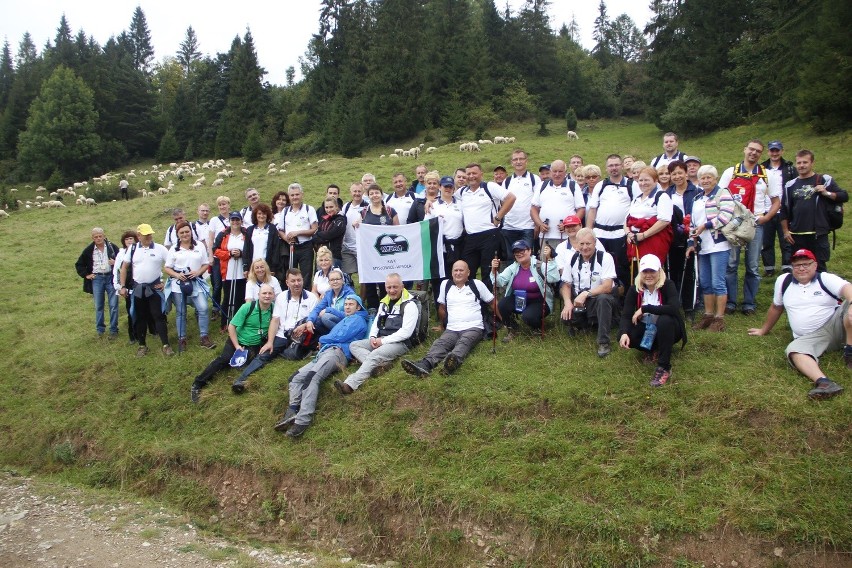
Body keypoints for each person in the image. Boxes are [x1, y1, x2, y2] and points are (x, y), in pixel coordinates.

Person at [748, 249, 852, 400]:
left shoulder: (825, 278)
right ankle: (824, 383)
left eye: (806, 264)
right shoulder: (784, 281)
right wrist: (763, 330)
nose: (801, 268)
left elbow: (847, 288)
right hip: (810, 337)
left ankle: (850, 352)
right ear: (792, 267)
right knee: (793, 350)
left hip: (837, 326)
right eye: (797, 265)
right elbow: (776, 307)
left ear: (815, 265)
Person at [274, 294, 370, 438]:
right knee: (295, 378)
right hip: (325, 352)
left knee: (312, 377)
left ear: (358, 307)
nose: (348, 307)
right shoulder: (346, 318)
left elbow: (340, 337)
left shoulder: (358, 320)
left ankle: (302, 421)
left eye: (351, 304)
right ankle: (292, 410)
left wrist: (322, 339)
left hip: (338, 352)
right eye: (346, 304)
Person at [230, 269, 319, 393]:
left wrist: (303, 326)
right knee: (264, 354)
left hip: (301, 335)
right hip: (282, 334)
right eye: (293, 281)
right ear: (287, 282)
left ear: (303, 281)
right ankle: (241, 380)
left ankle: (295, 351)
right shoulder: (281, 297)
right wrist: (270, 342)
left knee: (294, 356)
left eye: (299, 280)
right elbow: (275, 320)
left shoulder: (311, 297)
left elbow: (314, 319)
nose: (296, 283)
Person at [401, 260, 495, 377]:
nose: (458, 273)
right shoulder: (445, 285)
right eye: (456, 270)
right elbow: (442, 307)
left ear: (468, 272)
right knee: (441, 343)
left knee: (464, 342)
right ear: (452, 272)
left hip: (473, 327)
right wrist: (442, 325)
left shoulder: (477, 284)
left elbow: (492, 302)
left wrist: (504, 321)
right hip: (452, 329)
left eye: (461, 270)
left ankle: (451, 362)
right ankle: (425, 365)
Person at [719, 139, 779, 315]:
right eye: (751, 149)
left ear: (761, 154)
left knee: (752, 265)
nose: (754, 153)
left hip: (755, 224)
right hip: (734, 224)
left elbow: (776, 201)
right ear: (744, 150)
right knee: (731, 264)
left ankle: (749, 303)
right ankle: (730, 302)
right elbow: (720, 196)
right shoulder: (731, 172)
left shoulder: (767, 175)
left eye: (758, 151)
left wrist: (766, 218)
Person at [334, 273, 419, 395]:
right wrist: (373, 337)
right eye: (389, 287)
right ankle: (380, 365)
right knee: (354, 345)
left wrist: (382, 341)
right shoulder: (384, 302)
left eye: (395, 287)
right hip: (381, 339)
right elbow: (377, 323)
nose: (392, 290)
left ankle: (350, 385)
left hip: (400, 343)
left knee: (375, 354)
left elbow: (406, 332)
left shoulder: (410, 305)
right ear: (385, 287)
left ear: (402, 286)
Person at [190, 284, 276, 403]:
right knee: (224, 359)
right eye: (264, 293)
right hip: (238, 341)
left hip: (255, 345)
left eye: (270, 293)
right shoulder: (247, 307)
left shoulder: (274, 309)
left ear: (274, 295)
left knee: (251, 365)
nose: (267, 296)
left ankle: (238, 375)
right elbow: (231, 326)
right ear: (258, 295)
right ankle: (197, 384)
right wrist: (236, 346)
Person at [618, 255, 687, 387]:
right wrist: (624, 333)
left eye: (652, 271)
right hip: (647, 328)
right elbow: (626, 315)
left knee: (665, 320)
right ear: (640, 272)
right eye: (645, 271)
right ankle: (651, 350)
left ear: (659, 272)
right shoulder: (634, 289)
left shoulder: (668, 285)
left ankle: (664, 366)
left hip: (670, 329)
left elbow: (674, 308)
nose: (649, 275)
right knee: (624, 335)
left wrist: (644, 308)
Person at [780, 150, 848, 273]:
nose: (801, 165)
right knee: (800, 268)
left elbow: (844, 196)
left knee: (819, 268)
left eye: (805, 162)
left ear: (812, 163)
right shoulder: (790, 185)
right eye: (799, 162)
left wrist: (826, 193)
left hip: (818, 233)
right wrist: (785, 231)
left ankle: (821, 291)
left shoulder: (824, 180)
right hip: (796, 235)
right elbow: (784, 209)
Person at [687, 165, 734, 332]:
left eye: (709, 177)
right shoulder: (697, 198)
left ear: (715, 178)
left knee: (718, 282)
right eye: (703, 178)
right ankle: (708, 315)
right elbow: (693, 224)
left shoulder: (723, 194)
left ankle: (719, 318)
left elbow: (726, 216)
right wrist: (690, 243)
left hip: (719, 244)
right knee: (705, 282)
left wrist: (706, 225)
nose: (706, 180)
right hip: (703, 246)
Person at [559, 228, 618, 357]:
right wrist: (568, 303)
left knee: (604, 299)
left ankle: (603, 342)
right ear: (577, 244)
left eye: (588, 244)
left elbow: (607, 287)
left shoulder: (605, 257)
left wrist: (586, 294)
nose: (585, 247)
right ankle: (585, 325)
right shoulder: (572, 259)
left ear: (595, 242)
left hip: (598, 298)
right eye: (581, 244)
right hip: (580, 300)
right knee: (565, 317)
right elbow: (566, 284)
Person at [118, 224, 173, 356]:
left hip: (154, 289)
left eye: (150, 234)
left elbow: (172, 266)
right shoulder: (132, 249)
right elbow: (124, 268)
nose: (148, 237)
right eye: (145, 234)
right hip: (138, 289)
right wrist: (123, 286)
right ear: (139, 236)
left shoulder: (160, 249)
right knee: (139, 317)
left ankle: (166, 345)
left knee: (158, 316)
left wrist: (165, 283)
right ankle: (142, 346)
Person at [459, 163, 517, 289]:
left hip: (489, 235)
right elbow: (445, 198)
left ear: (481, 174)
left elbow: (511, 198)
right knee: (468, 272)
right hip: (470, 237)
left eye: (474, 173)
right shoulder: (462, 191)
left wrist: (498, 217)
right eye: (468, 174)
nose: (471, 176)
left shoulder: (489, 187)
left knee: (488, 272)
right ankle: (471, 300)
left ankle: (488, 305)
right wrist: (429, 201)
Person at [492, 240, 560, 341]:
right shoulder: (513, 268)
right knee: (502, 305)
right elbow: (499, 282)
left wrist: (550, 259)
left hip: (539, 301)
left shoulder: (539, 265)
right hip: (519, 299)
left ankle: (537, 329)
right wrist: (494, 270)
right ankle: (513, 329)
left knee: (528, 316)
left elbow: (554, 278)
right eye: (516, 252)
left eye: (522, 250)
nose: (519, 254)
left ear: (529, 251)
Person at [163, 221, 215, 352]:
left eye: (187, 231)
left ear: (191, 232)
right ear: (178, 235)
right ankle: (182, 339)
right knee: (181, 312)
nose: (185, 234)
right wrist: (176, 275)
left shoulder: (199, 246)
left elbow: (205, 263)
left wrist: (198, 272)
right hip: (178, 285)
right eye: (182, 233)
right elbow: (167, 268)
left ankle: (204, 337)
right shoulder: (174, 249)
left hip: (196, 282)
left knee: (203, 308)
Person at [586, 155, 632, 291]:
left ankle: (622, 300)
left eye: (616, 165)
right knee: (598, 265)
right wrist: (588, 232)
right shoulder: (601, 185)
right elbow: (592, 210)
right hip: (600, 234)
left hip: (620, 234)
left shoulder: (631, 185)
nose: (614, 168)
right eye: (611, 165)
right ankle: (599, 295)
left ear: (622, 166)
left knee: (621, 267)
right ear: (606, 168)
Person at [352, 183, 399, 309]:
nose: (374, 195)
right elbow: (357, 228)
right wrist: (355, 224)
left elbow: (398, 231)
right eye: (371, 193)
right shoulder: (363, 212)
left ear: (381, 194)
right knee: (370, 282)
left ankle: (387, 307)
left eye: (377, 193)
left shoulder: (390, 211)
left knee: (386, 281)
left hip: (387, 254)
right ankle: (373, 309)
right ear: (368, 196)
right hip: (370, 254)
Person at [666, 160, 701, 314]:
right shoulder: (667, 193)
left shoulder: (696, 191)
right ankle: (673, 304)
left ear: (686, 174)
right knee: (672, 271)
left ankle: (689, 306)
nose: (677, 176)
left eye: (680, 173)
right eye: (674, 174)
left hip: (691, 235)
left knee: (689, 273)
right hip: (673, 237)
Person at [531, 159, 586, 250]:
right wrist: (540, 224)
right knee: (547, 263)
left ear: (565, 172)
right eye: (554, 171)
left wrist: (569, 225)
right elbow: (533, 208)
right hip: (546, 235)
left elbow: (581, 209)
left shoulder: (573, 186)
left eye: (560, 171)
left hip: (567, 236)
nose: (557, 174)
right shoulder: (542, 186)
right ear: (550, 172)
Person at [76, 227, 120, 339]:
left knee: (113, 305)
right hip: (97, 279)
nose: (99, 238)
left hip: (111, 277)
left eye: (100, 236)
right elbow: (79, 264)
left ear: (104, 236)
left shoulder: (112, 247)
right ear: (92, 238)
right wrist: (86, 274)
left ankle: (114, 329)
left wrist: (115, 263)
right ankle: (100, 329)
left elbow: (122, 260)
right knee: (99, 305)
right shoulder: (88, 250)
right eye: (96, 237)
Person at [761, 140, 796, 275]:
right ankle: (769, 268)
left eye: (777, 150)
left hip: (784, 209)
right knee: (766, 241)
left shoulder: (789, 168)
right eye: (772, 150)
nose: (774, 153)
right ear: (768, 152)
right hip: (766, 209)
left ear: (782, 151)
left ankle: (787, 266)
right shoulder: (762, 168)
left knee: (786, 240)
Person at [624, 167, 673, 265]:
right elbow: (626, 221)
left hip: (653, 241)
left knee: (652, 270)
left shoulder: (662, 197)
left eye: (646, 180)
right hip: (636, 241)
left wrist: (644, 235)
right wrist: (628, 233)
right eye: (640, 180)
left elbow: (664, 220)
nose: (643, 183)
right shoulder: (636, 199)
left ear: (655, 181)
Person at [277, 183, 318, 290]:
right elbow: (280, 230)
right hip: (291, 247)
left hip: (306, 246)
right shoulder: (285, 211)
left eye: (297, 194)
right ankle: (292, 297)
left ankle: (306, 298)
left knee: (306, 275)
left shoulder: (309, 209)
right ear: (289, 197)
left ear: (302, 195)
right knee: (291, 275)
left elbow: (314, 229)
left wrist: (298, 233)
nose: (295, 197)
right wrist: (287, 239)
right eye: (292, 195)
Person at [501, 149, 540, 256]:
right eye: (515, 159)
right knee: (510, 258)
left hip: (528, 227)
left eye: (521, 159)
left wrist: (537, 224)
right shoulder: (507, 181)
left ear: (526, 161)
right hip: (509, 227)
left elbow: (538, 203)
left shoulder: (534, 179)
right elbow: (503, 202)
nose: (518, 162)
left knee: (526, 258)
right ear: (512, 162)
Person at [213, 212, 247, 330]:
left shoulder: (247, 233)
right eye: (233, 220)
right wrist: (229, 253)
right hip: (227, 271)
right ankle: (225, 323)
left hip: (242, 271)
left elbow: (251, 250)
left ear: (241, 221)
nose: (235, 222)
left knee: (240, 297)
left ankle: (238, 324)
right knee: (227, 297)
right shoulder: (223, 234)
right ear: (230, 221)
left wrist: (241, 254)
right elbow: (215, 250)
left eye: (237, 220)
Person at [298, 267, 354, 337]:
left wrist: (329, 310)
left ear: (342, 280)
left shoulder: (349, 294)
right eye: (332, 280)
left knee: (326, 317)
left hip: (346, 323)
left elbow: (350, 315)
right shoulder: (329, 294)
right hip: (333, 323)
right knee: (313, 321)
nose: (335, 282)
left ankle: (339, 336)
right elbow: (317, 309)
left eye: (337, 279)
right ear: (329, 282)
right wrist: (310, 320)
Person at [112, 230, 140, 344]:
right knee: (131, 311)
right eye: (127, 239)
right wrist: (119, 286)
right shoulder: (121, 254)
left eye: (131, 238)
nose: (129, 240)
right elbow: (117, 270)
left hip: (141, 284)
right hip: (127, 286)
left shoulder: (140, 250)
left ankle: (152, 330)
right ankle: (133, 336)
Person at [242, 203, 281, 280]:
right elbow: (246, 249)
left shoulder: (272, 229)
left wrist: (273, 268)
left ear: (267, 215)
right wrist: (246, 267)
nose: (261, 216)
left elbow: (276, 249)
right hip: (253, 266)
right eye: (259, 214)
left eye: (264, 214)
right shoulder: (250, 230)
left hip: (267, 266)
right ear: (255, 215)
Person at [208, 196, 232, 317]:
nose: (222, 207)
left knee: (229, 283)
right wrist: (210, 256)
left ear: (229, 205)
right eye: (220, 205)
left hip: (231, 257)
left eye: (224, 204)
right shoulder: (214, 220)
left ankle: (229, 305)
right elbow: (210, 239)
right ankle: (215, 307)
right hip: (218, 258)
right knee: (217, 284)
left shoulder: (235, 218)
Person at [341, 182, 367, 279]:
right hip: (347, 246)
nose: (357, 193)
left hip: (362, 247)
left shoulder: (367, 206)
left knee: (364, 276)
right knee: (346, 276)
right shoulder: (346, 206)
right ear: (350, 192)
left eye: (359, 191)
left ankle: (364, 295)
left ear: (363, 192)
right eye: (354, 191)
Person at [314, 197, 346, 266]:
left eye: (331, 207)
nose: (329, 210)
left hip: (334, 257)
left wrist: (319, 235)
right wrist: (322, 236)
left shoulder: (340, 220)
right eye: (326, 207)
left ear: (336, 207)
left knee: (334, 277)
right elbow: (314, 238)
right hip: (321, 257)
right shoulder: (323, 220)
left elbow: (331, 234)